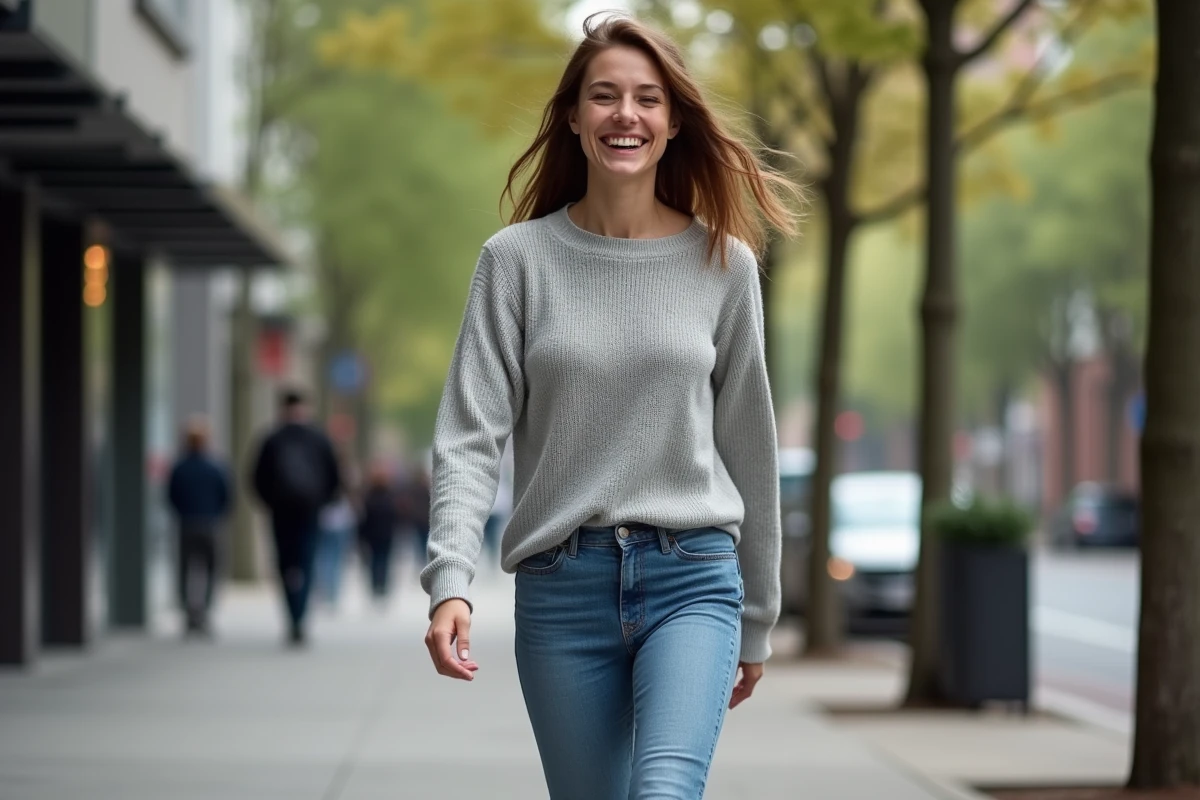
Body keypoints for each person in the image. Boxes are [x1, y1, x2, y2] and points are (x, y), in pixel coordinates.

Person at [420, 13, 801, 799]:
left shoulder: (725, 265)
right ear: (573, 117)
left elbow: (750, 447)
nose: (625, 114)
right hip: (563, 588)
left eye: (647, 99)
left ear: (671, 123)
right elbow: (468, 436)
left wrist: (759, 614)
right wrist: (450, 580)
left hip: (692, 577)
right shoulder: (515, 263)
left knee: (664, 792)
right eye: (604, 96)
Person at [250, 389, 341, 646]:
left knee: (285, 564)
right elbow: (334, 476)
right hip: (310, 512)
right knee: (307, 562)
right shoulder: (319, 438)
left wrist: (270, 503)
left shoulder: (271, 439)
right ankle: (301, 617)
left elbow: (256, 478)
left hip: (281, 512)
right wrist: (322, 502)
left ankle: (291, 616)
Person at [166, 417, 232, 637]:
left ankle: (190, 613)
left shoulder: (180, 467)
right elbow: (227, 496)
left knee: (186, 570)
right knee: (211, 570)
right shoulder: (216, 466)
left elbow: (171, 496)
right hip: (210, 524)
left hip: (187, 524)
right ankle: (204, 612)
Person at [357, 464, 400, 601]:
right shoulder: (389, 497)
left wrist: (361, 535)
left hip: (373, 535)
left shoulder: (368, 497)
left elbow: (364, 518)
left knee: (375, 560)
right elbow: (395, 516)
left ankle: (376, 584)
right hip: (386, 534)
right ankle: (382, 584)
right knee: (384, 560)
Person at [314, 485, 356, 608]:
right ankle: (331, 592)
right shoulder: (341, 496)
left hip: (327, 525)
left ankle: (327, 590)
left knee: (326, 559)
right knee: (334, 560)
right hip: (338, 526)